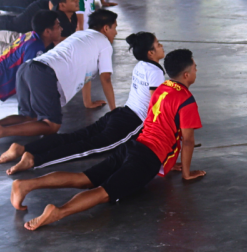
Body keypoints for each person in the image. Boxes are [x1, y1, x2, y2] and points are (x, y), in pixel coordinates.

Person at [10, 48, 205, 231]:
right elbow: (187, 141)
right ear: (186, 75)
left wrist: (169, 161)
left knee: (85, 178)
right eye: (195, 67)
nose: (197, 70)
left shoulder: (162, 88)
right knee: (105, 192)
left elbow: (160, 123)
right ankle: (58, 212)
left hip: (134, 145)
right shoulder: (186, 100)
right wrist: (187, 173)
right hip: (147, 158)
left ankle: (27, 184)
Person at [0, 32, 166, 174]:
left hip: (119, 114)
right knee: (85, 148)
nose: (161, 46)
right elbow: (155, 106)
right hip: (132, 121)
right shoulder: (157, 72)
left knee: (75, 137)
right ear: (150, 53)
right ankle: (35, 159)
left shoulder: (141, 66)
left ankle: (24, 149)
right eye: (158, 44)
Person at [0, 9, 118, 150]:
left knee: (28, 117)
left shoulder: (80, 35)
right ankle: (0, 131)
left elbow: (87, 73)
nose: (116, 33)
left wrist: (88, 102)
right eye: (115, 28)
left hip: (27, 68)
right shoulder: (104, 43)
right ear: (106, 28)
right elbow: (105, 78)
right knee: (52, 125)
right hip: (44, 74)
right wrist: (115, 112)